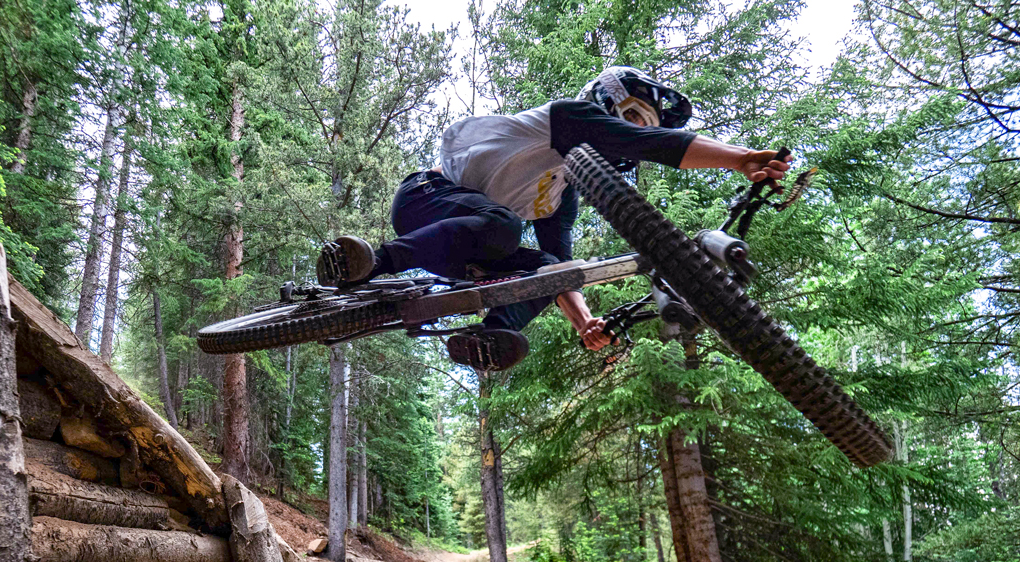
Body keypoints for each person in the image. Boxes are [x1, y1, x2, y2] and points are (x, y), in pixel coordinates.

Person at [317, 65, 792, 371]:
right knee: (505, 224)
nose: (633, 130)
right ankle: (372, 262)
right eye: (631, 115)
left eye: (644, 124)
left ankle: (490, 335)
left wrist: (584, 321)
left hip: (465, 250)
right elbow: (649, 146)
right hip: (424, 202)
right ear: (606, 102)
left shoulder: (562, 194)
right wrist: (741, 157)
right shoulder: (566, 117)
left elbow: (562, 267)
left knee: (546, 264)